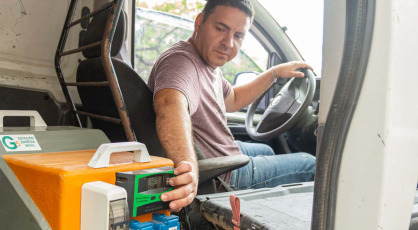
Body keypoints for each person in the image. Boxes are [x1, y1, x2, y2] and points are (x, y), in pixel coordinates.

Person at [147, 0, 315, 212]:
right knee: (310, 163)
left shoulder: (209, 65)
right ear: (199, 22)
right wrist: (187, 168)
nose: (228, 42)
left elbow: (233, 99)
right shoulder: (181, 62)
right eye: (220, 29)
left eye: (238, 36)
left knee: (266, 149)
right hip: (223, 175)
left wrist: (274, 73)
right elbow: (169, 104)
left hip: (224, 156)